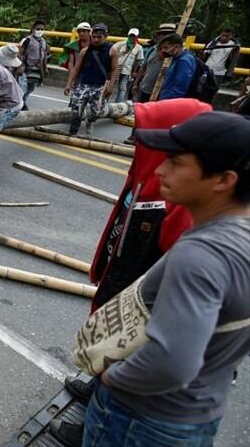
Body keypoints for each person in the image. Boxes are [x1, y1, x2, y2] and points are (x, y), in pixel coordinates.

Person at [82, 111, 250, 447]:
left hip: (140, 420)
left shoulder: (201, 254)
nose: (160, 170)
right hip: (198, 412)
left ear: (223, 180)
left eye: (175, 162)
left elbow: (172, 363)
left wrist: (112, 378)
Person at [64, 23, 119, 135]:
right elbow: (76, 69)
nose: (95, 39)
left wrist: (111, 86)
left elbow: (114, 70)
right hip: (84, 84)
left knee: (96, 111)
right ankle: (73, 131)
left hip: (101, 85)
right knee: (76, 107)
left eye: (99, 37)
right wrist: (69, 84)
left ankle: (90, 121)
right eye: (93, 37)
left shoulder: (112, 50)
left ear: (105, 36)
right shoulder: (85, 51)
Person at [133, 22, 177, 102]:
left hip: (161, 93)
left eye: (168, 34)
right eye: (162, 34)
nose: (164, 37)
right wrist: (136, 84)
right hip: (144, 89)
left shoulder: (175, 53)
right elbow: (143, 67)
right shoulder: (152, 50)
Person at [19, 20, 50, 109]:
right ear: (33, 29)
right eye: (38, 29)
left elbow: (44, 55)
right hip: (26, 68)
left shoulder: (43, 41)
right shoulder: (27, 40)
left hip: (37, 70)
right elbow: (20, 53)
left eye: (42, 29)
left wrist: (46, 68)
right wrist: (20, 66)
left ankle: (23, 102)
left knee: (30, 88)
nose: (40, 31)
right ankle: (21, 105)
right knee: (23, 88)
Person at [157, 33, 197, 100]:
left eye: (166, 47)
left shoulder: (184, 61)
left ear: (176, 47)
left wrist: (165, 101)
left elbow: (180, 88)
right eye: (162, 48)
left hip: (170, 100)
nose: (163, 50)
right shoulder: (176, 58)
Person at [111, 28, 144, 102]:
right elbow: (111, 53)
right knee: (111, 86)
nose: (132, 37)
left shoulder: (139, 48)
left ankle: (118, 104)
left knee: (122, 88)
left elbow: (139, 61)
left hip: (127, 70)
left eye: (134, 36)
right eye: (131, 35)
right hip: (115, 69)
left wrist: (134, 71)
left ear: (137, 37)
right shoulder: (120, 44)